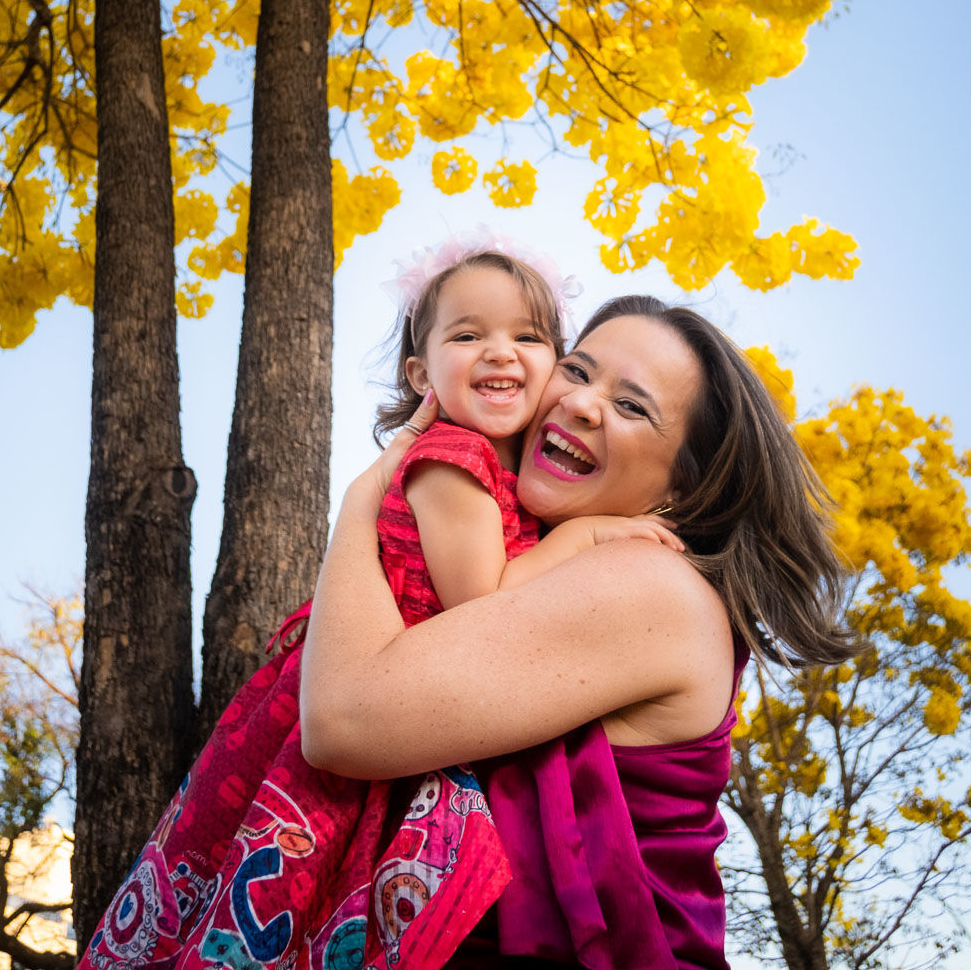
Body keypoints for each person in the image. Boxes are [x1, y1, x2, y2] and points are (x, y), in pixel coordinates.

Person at [80, 242, 679, 970]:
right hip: (360, 697)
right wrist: (588, 534)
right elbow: (483, 602)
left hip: (387, 694)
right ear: (421, 374)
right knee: (301, 883)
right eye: (467, 335)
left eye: (528, 336)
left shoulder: (493, 471)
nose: (500, 352)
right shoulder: (453, 461)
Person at [301, 295, 858, 969]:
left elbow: (341, 720)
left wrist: (365, 497)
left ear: (680, 490)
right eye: (576, 370)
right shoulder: (534, 561)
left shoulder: (652, 587)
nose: (582, 404)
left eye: (631, 406)